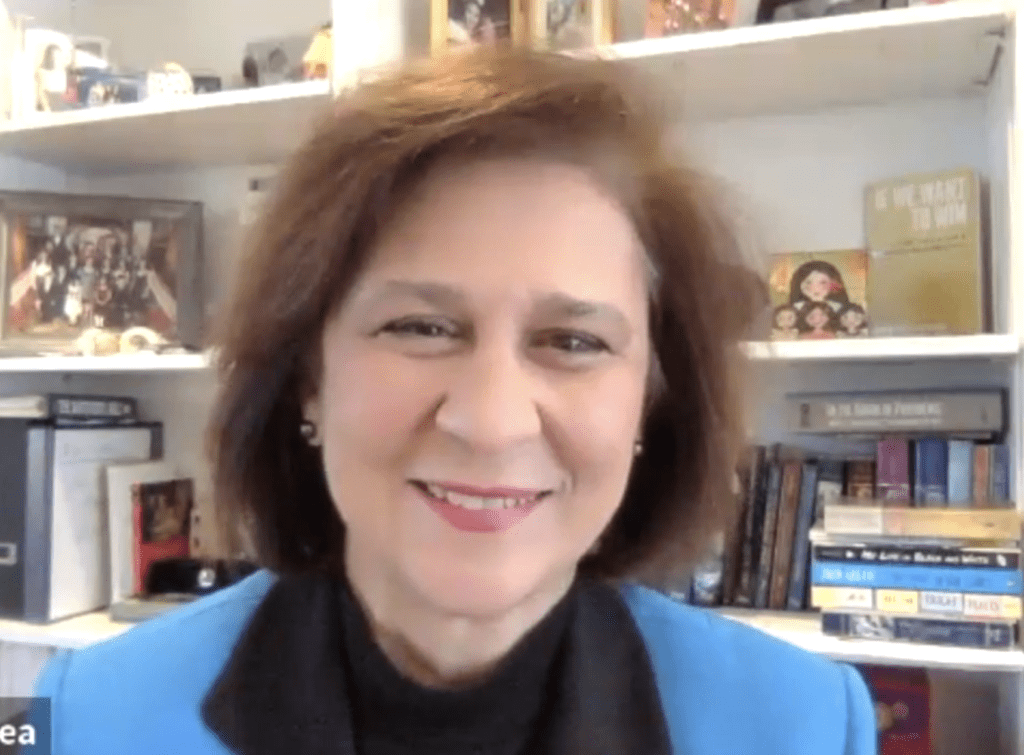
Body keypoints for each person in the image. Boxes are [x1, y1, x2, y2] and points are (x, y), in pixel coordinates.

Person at [31, 48, 877, 754]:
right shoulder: (86, 717)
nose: (491, 419)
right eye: (422, 327)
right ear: (308, 375)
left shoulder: (803, 724)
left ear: (652, 400)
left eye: (574, 342)